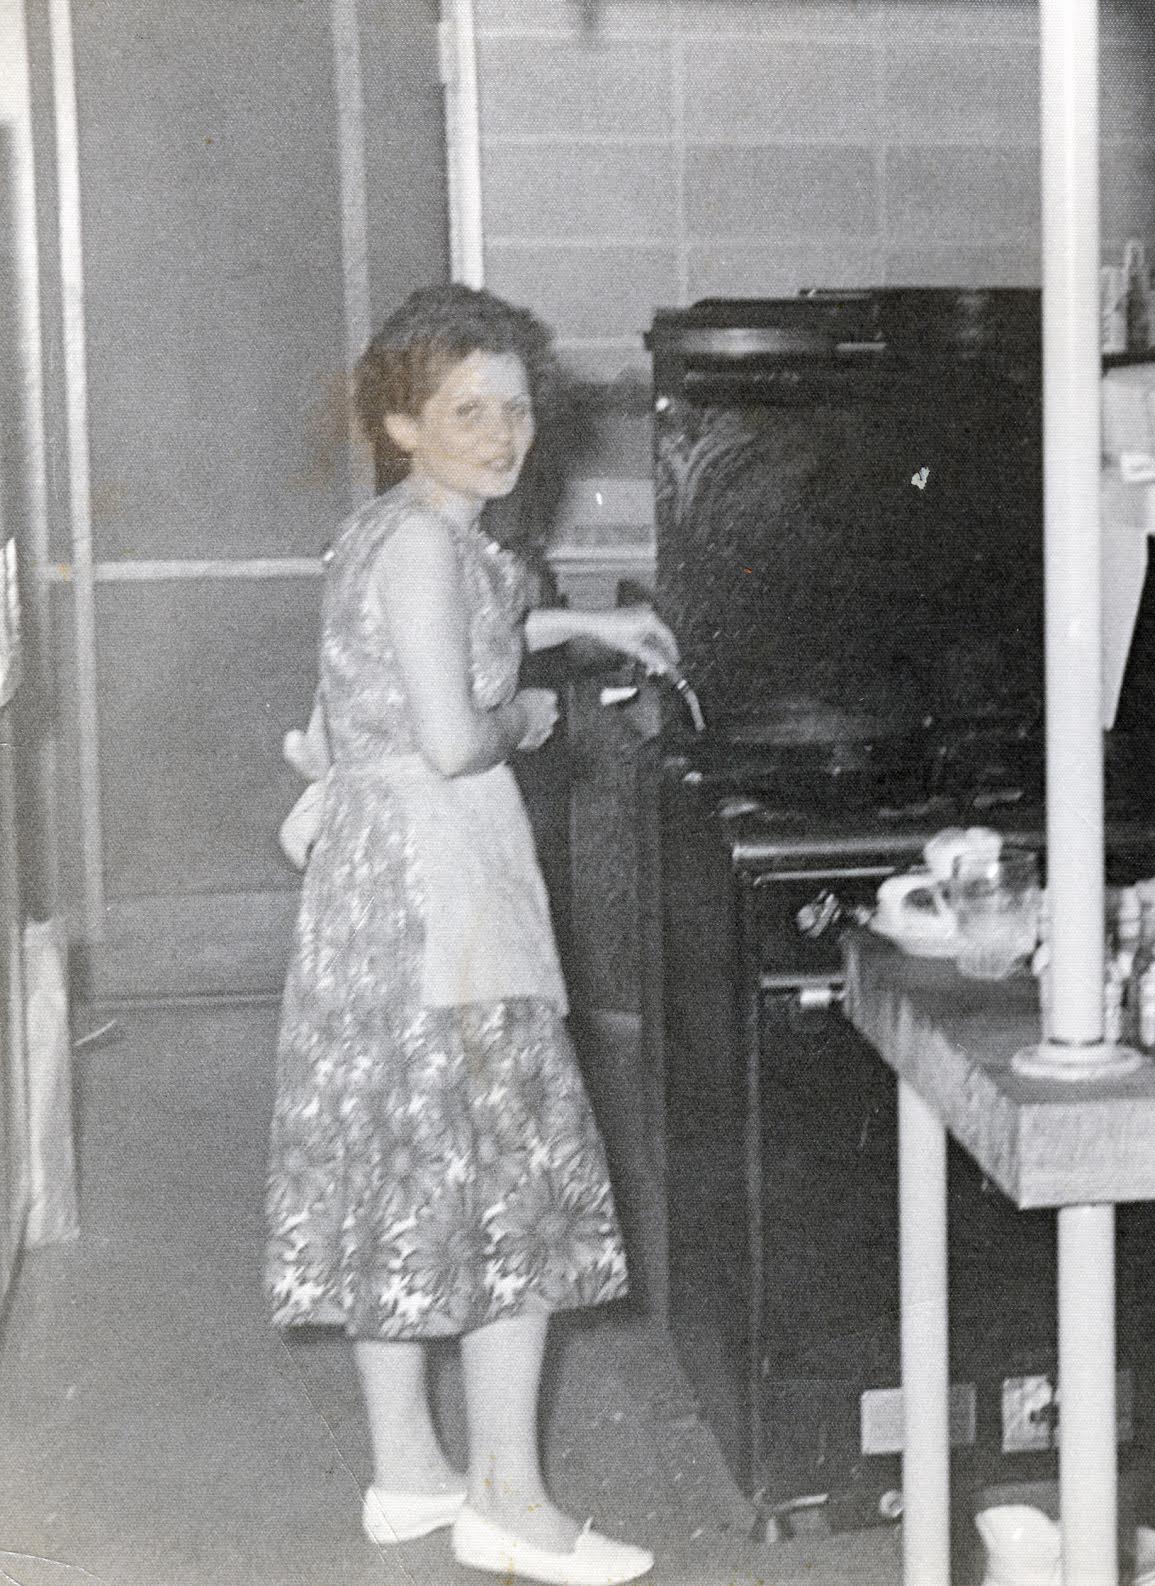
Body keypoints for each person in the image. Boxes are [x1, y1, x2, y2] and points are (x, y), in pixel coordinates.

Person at [264, 283, 676, 1586]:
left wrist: (583, 624)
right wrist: (533, 724)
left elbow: (454, 641)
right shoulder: (436, 547)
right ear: (402, 421)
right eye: (466, 412)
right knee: (510, 1180)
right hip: (444, 889)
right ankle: (509, 1494)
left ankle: (409, 1467)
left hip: (369, 899)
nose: (501, 435)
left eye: (514, 408)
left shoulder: (388, 533)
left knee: (403, 1171)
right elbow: (454, 732)